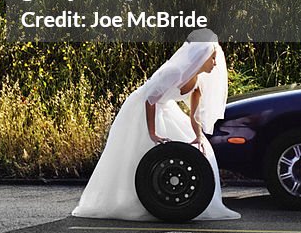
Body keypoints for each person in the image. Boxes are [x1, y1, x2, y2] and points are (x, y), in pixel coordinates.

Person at [72, 31, 240, 220]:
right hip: (141, 108)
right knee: (137, 151)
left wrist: (199, 136)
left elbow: (194, 116)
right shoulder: (175, 72)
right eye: (213, 58)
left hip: (165, 109)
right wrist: (153, 133)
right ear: (201, 57)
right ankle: (129, 201)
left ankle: (169, 201)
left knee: (200, 150)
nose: (215, 63)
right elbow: (150, 100)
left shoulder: (198, 84)